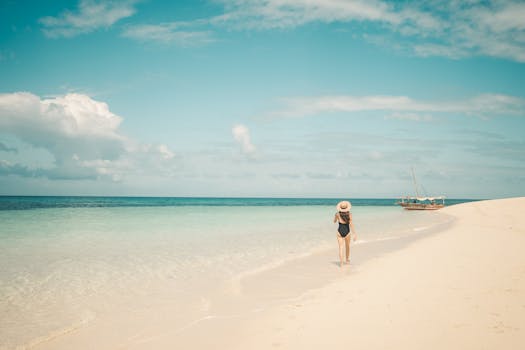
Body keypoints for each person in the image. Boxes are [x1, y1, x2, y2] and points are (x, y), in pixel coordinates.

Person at [333, 200, 357, 267]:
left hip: (339, 231)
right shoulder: (349, 214)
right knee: (347, 246)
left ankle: (341, 264)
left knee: (341, 247)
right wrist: (354, 233)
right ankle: (347, 260)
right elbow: (351, 224)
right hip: (347, 232)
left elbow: (334, 221)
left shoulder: (337, 214)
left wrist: (336, 219)